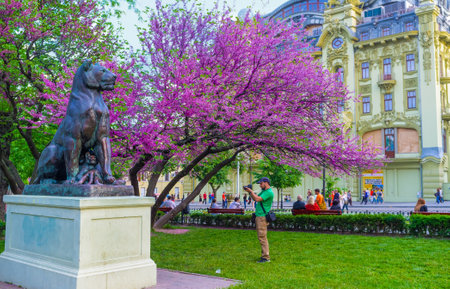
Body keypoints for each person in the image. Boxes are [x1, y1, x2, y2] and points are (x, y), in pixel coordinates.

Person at [244, 177, 274, 263]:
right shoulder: (264, 191)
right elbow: (255, 197)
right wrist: (250, 192)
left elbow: (257, 199)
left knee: (262, 237)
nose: (260, 185)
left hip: (262, 217)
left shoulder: (268, 192)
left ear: (266, 183)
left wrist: (250, 191)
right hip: (260, 216)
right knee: (262, 237)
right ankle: (264, 256)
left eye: (261, 183)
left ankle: (266, 257)